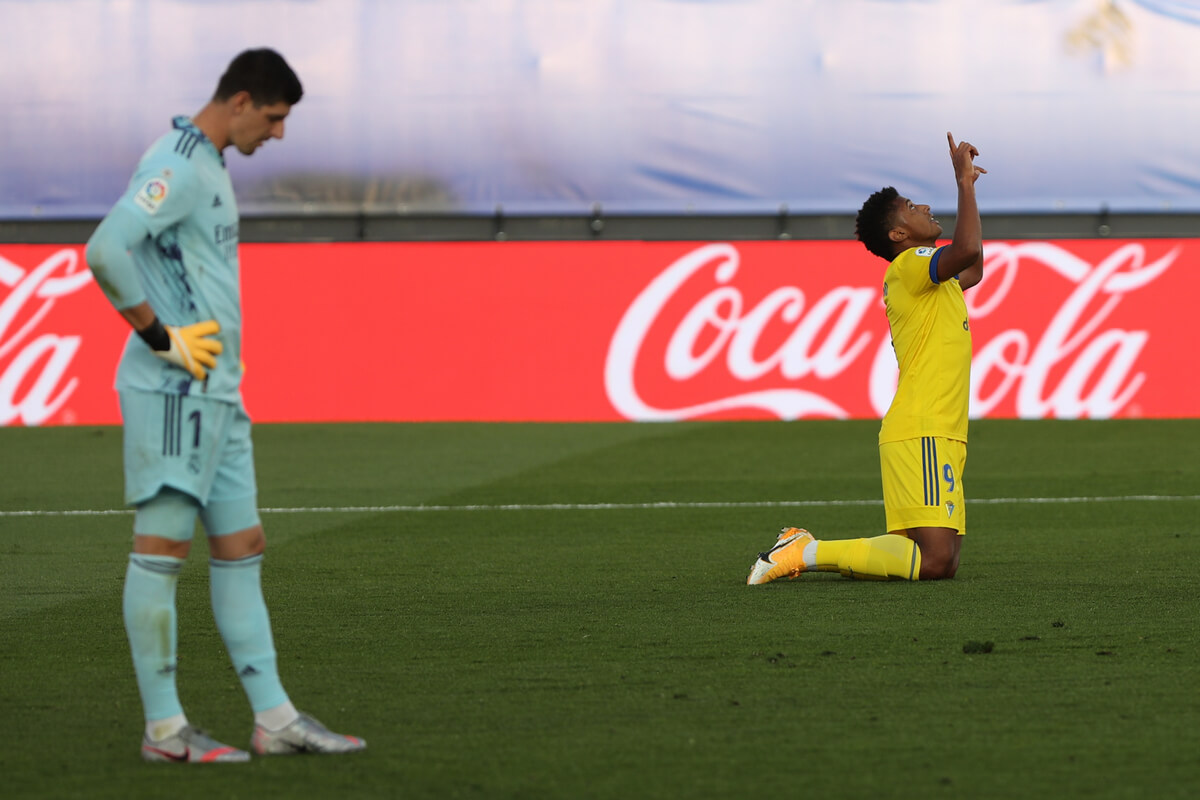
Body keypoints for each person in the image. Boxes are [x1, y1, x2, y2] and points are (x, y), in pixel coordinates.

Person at [85, 49, 366, 762]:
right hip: (177, 393)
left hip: (220, 396)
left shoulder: (208, 163)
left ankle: (274, 720)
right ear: (241, 101)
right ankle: (165, 731)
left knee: (243, 548)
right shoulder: (178, 163)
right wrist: (161, 339)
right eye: (273, 119)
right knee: (162, 549)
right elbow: (105, 249)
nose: (278, 135)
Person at [747, 132, 986, 585]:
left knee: (942, 560)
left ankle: (810, 550)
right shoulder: (913, 264)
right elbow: (968, 250)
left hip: (939, 431)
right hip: (923, 428)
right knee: (933, 562)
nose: (925, 209)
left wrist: (968, 187)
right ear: (899, 234)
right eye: (913, 208)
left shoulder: (928, 275)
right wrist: (964, 185)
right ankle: (805, 550)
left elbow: (972, 265)